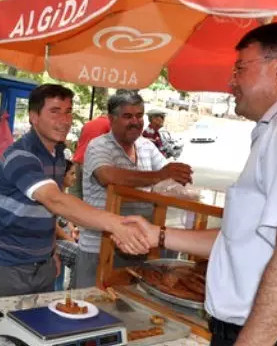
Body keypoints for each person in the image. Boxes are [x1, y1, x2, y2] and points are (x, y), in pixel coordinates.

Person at [113, 23, 277, 345]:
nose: (231, 81)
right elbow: (243, 239)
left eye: (240, 68)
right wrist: (160, 235)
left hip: (270, 336)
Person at [0, 84, 160, 299]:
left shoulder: (56, 154)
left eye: (68, 112)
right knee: (1, 330)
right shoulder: (20, 155)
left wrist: (51, 251)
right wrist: (116, 225)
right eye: (54, 112)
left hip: (43, 266)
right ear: (33, 117)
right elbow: (55, 200)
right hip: (8, 267)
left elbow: (48, 213)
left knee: (36, 327)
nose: (64, 120)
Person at [76, 90, 193, 288]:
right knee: (91, 309)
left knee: (130, 311)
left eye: (139, 116)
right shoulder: (99, 146)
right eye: (127, 116)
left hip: (139, 247)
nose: (135, 122)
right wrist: (159, 175)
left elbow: (169, 179)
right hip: (100, 249)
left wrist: (179, 178)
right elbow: (108, 176)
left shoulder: (147, 146)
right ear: (112, 119)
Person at [70, 113, 111, 199]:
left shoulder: (87, 124)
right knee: (90, 196)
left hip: (76, 160)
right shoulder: (109, 124)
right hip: (91, 162)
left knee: (75, 194)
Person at [55, 160, 81, 281]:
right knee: (80, 254)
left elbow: (65, 219)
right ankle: (73, 290)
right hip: (52, 242)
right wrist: (69, 238)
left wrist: (73, 231)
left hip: (63, 237)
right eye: (72, 174)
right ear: (62, 175)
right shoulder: (54, 194)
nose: (75, 178)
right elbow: (53, 226)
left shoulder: (64, 194)